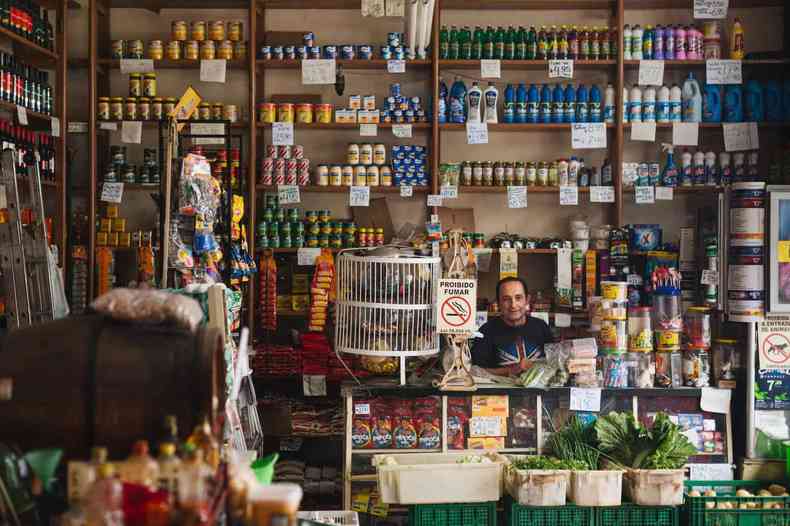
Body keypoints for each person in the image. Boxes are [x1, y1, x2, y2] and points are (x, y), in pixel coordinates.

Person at [471, 277, 553, 377]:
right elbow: (476, 371)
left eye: (518, 298)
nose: (513, 305)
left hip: (539, 390)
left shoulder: (541, 327)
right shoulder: (486, 331)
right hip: (500, 391)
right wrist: (511, 371)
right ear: (498, 303)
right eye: (506, 299)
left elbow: (554, 363)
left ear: (527, 300)